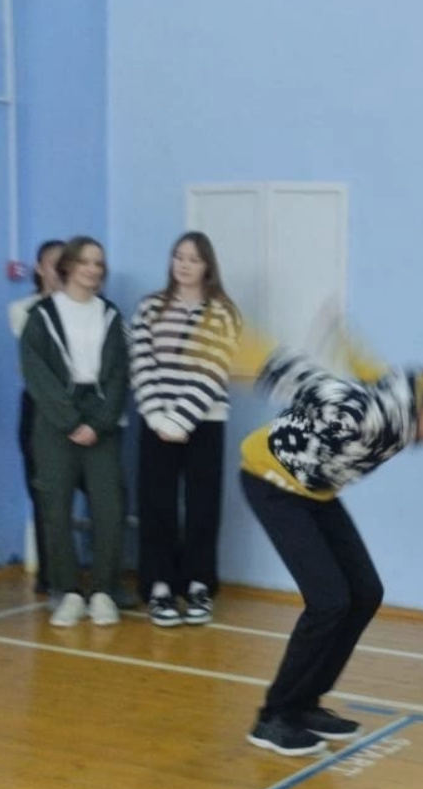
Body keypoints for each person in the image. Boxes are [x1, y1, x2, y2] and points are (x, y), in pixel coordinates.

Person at [235, 315, 423, 756]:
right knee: (328, 600)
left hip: (314, 490)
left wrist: (344, 340)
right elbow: (315, 385)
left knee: (365, 593)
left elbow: (377, 374)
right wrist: (245, 353)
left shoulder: (419, 389)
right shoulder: (373, 418)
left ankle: (306, 703)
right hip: (271, 481)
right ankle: (273, 717)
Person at [129, 232, 242, 626]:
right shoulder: (150, 307)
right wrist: (159, 417)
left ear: (207, 265)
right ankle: (159, 586)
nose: (184, 265)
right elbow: (141, 364)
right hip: (156, 422)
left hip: (205, 422)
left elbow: (214, 369)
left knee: (202, 506)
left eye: (193, 259)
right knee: (156, 505)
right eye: (178, 257)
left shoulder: (223, 313)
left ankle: (198, 585)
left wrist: (181, 418)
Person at [19, 236, 129, 627]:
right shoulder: (42, 315)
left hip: (101, 423)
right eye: (85, 262)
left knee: (109, 507)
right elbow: (36, 373)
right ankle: (66, 592)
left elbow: (118, 375)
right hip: (55, 422)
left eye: (99, 263)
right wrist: (69, 421)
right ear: (67, 266)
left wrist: (97, 423)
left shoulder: (110, 314)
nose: (93, 270)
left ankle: (103, 591)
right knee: (56, 508)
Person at [10, 239, 65, 594]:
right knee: (42, 490)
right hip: (38, 405)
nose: (61, 270)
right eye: (54, 264)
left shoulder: (90, 309)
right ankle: (50, 572)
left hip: (78, 408)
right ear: (40, 268)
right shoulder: (23, 309)